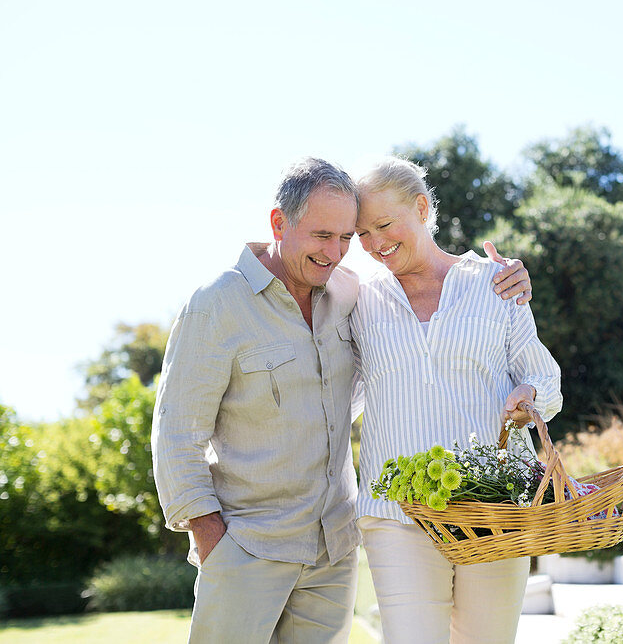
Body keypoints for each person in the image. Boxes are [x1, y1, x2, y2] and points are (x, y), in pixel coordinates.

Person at [152, 157, 531, 643]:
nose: (335, 253)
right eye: (321, 235)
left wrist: (508, 278)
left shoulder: (349, 294)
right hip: (249, 547)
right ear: (278, 223)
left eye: (346, 238)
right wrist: (215, 545)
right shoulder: (218, 303)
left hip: (333, 552)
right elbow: (176, 436)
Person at [350, 156, 563, 644]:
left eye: (384, 224)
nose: (375, 243)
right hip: (397, 514)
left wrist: (527, 394)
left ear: (422, 208)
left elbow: (542, 375)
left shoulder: (494, 282)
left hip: (496, 511)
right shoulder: (357, 300)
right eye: (361, 234)